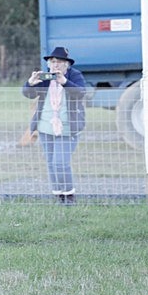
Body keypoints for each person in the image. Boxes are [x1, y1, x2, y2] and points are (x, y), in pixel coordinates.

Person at [22, 47, 87, 205]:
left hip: (68, 127)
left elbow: (81, 92)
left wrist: (64, 82)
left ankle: (69, 196)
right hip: (45, 127)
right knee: (51, 163)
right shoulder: (45, 78)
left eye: (59, 62)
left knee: (60, 163)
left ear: (67, 65)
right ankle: (58, 195)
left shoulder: (74, 76)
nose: (56, 65)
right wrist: (30, 83)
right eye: (52, 62)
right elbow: (28, 94)